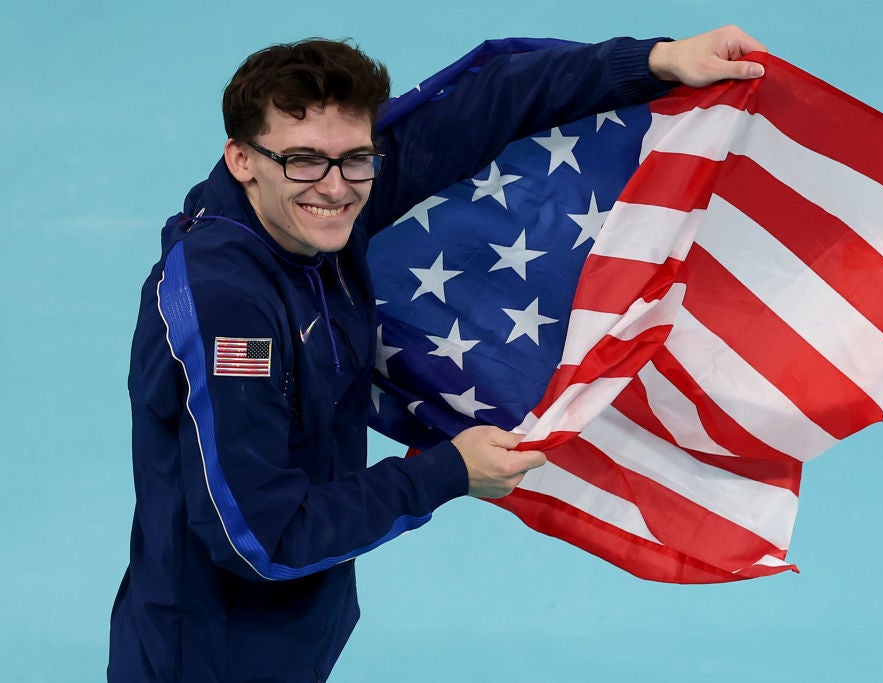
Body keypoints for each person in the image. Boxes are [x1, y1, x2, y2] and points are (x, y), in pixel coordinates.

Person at [107, 25, 767, 683]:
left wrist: (657, 61)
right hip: (205, 655)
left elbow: (484, 104)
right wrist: (446, 472)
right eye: (303, 160)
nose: (335, 188)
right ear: (241, 159)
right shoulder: (229, 310)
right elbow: (259, 536)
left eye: (355, 158)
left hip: (295, 627)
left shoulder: (318, 203)